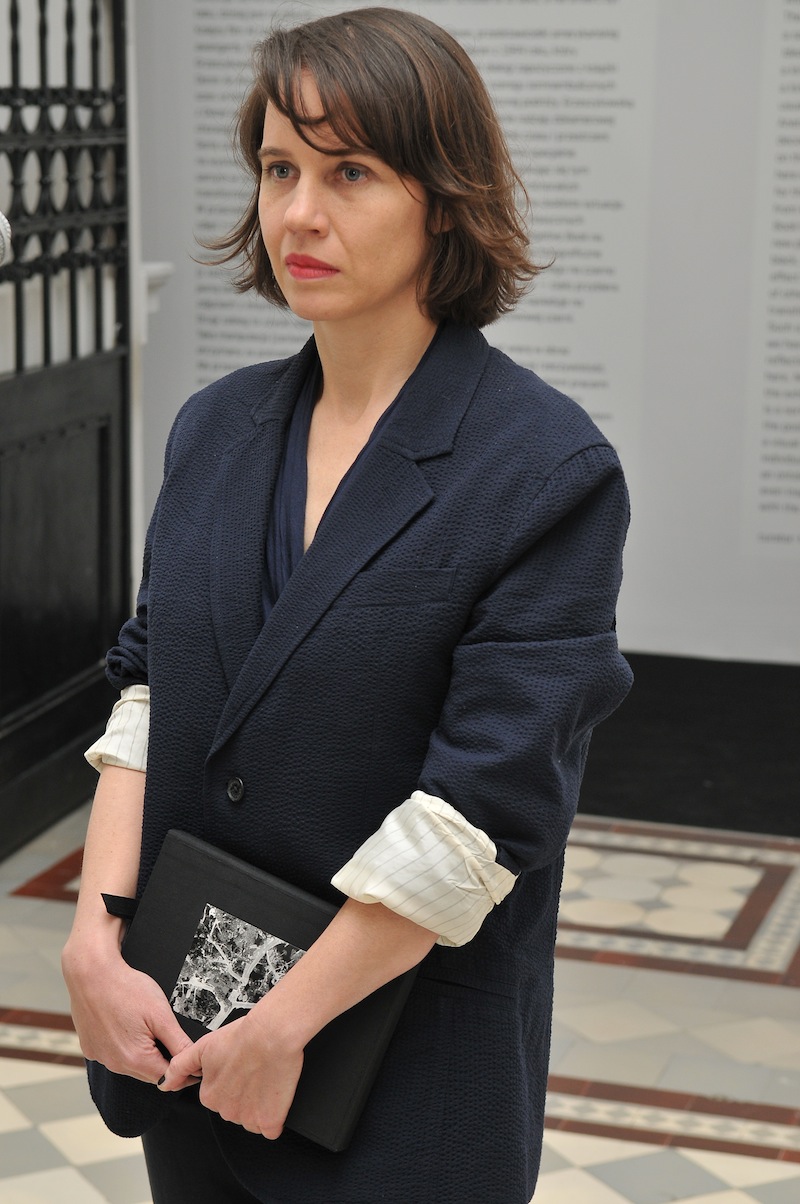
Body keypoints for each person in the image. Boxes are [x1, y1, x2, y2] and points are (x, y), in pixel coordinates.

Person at [62, 8, 633, 1202]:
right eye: (279, 169)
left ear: (444, 198)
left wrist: (282, 1023)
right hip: (187, 1036)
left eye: (350, 172)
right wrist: (94, 937)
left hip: (398, 1078)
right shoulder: (214, 429)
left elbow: (478, 814)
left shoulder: (544, 470)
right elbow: (150, 687)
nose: (297, 214)